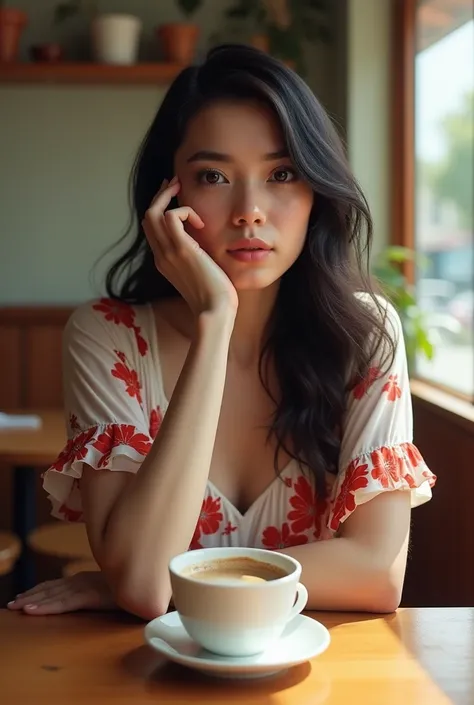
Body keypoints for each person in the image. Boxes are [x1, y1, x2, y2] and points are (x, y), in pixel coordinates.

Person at [8, 44, 435, 619]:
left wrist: (165, 578)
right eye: (214, 175)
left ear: (316, 190)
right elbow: (143, 584)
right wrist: (215, 319)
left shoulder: (364, 334)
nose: (250, 210)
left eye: (282, 173)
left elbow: (377, 576)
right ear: (169, 195)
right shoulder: (109, 337)